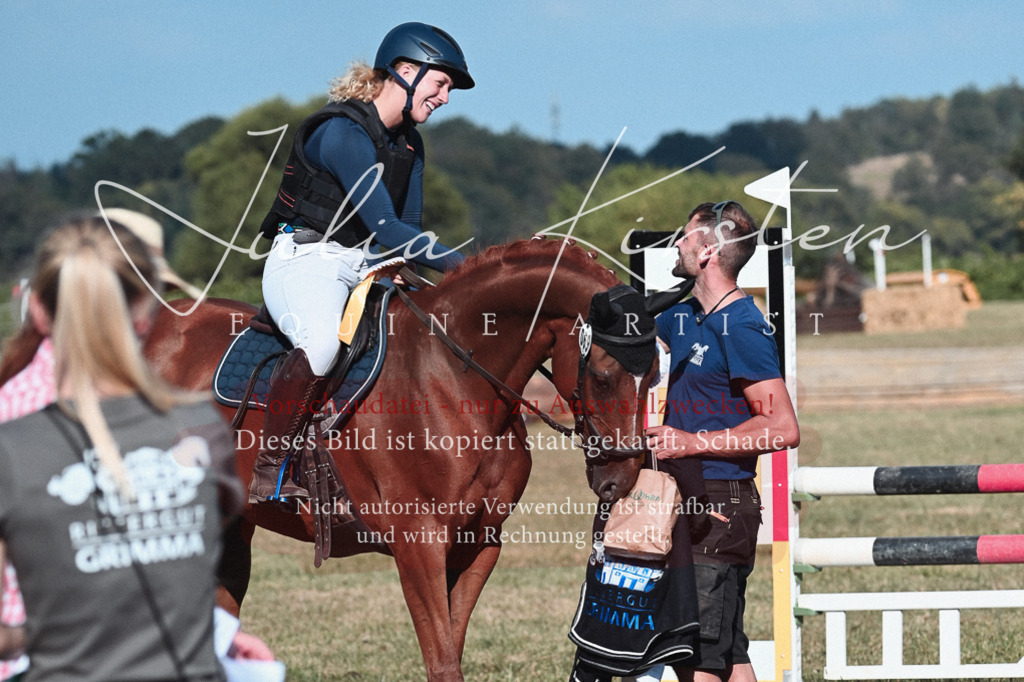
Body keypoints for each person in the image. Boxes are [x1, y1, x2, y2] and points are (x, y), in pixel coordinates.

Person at [0, 217, 247, 681]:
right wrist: (217, 636)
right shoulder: (204, 430)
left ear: (38, 311)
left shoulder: (11, 448)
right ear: (146, 314)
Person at [250, 22, 472, 503]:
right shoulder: (341, 134)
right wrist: (469, 269)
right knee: (325, 344)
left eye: (449, 89)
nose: (445, 97)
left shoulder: (410, 144)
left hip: (366, 265)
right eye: (441, 84)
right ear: (405, 71)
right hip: (306, 260)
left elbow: (405, 230)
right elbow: (390, 229)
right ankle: (270, 467)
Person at [645, 201, 800, 682]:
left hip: (719, 504)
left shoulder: (745, 326)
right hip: (691, 498)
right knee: (728, 652)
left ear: (708, 249)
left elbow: (782, 428)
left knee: (697, 655)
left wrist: (691, 442)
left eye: (685, 237)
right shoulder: (683, 315)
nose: (676, 244)